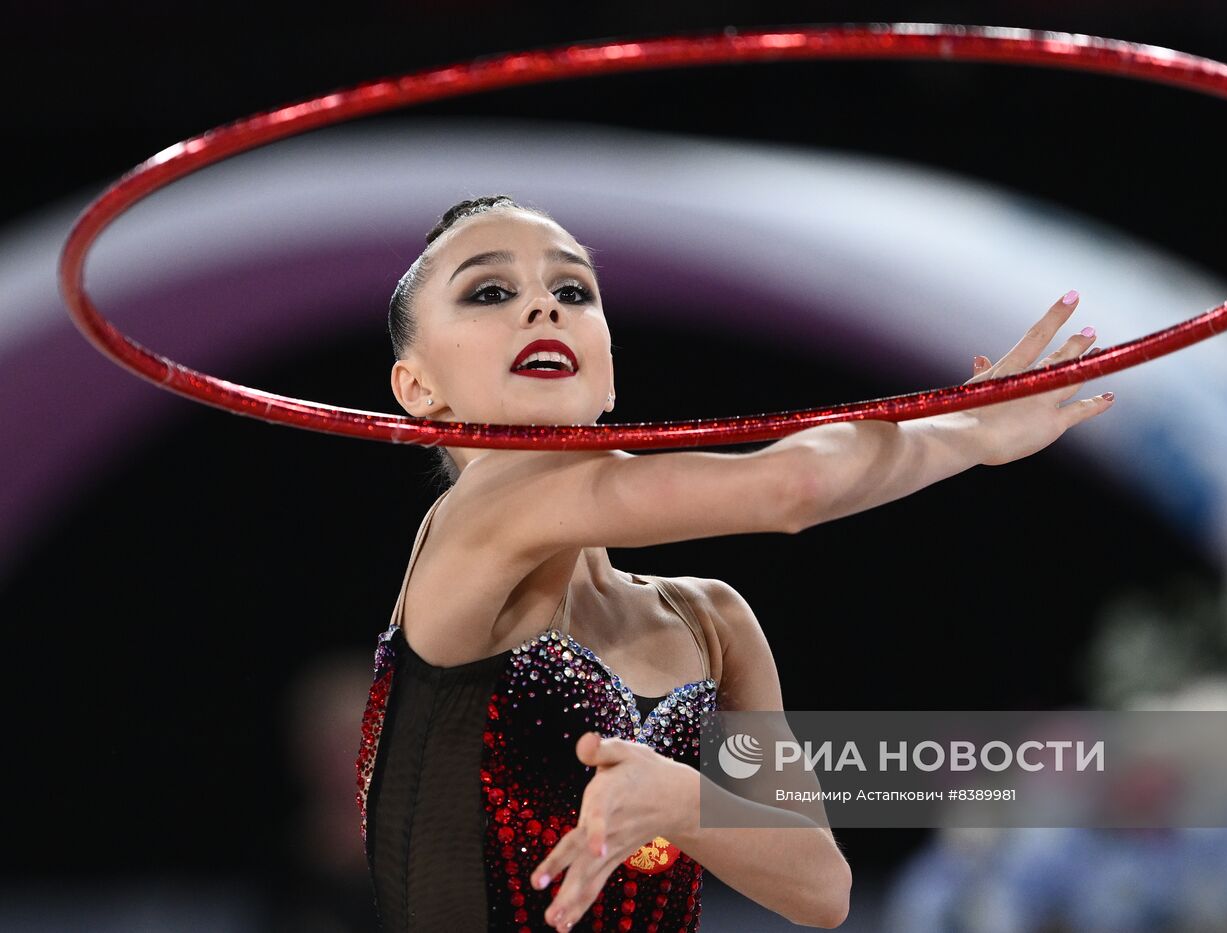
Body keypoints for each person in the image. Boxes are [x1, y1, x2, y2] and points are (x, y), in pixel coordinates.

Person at [356, 194, 1114, 932]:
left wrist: (681, 801)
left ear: (609, 373)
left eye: (572, 289)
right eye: (491, 290)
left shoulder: (708, 619)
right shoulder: (472, 523)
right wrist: (963, 431)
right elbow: (795, 485)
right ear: (418, 388)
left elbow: (822, 888)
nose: (543, 307)